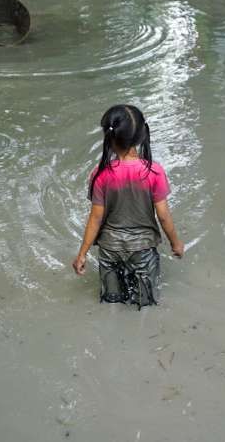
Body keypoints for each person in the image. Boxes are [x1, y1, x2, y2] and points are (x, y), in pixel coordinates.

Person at [72, 105, 184, 308]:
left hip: (109, 248)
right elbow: (164, 216)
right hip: (142, 248)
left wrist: (82, 254)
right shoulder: (154, 172)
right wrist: (175, 243)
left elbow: (95, 218)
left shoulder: (100, 174)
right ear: (142, 136)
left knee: (111, 300)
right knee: (145, 301)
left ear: (109, 137)